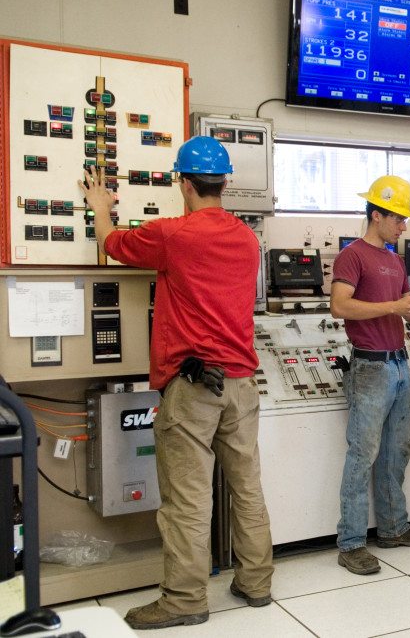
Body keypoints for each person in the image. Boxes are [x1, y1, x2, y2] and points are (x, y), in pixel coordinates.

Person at [79, 136, 274, 630]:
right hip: (242, 384)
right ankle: (256, 583)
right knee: (246, 488)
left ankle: (185, 601)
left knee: (188, 500)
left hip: (193, 388)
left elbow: (112, 243)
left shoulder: (174, 235)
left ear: (183, 183)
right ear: (224, 182)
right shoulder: (247, 238)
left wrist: (100, 206)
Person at [331, 175, 410, 575]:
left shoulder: (395, 260)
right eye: (398, 218)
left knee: (397, 451)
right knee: (363, 455)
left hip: (398, 363)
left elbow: (400, 310)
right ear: (376, 215)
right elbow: (340, 307)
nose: (404, 226)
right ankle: (352, 542)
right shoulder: (353, 256)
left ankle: (394, 528)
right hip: (370, 367)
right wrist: (394, 306)